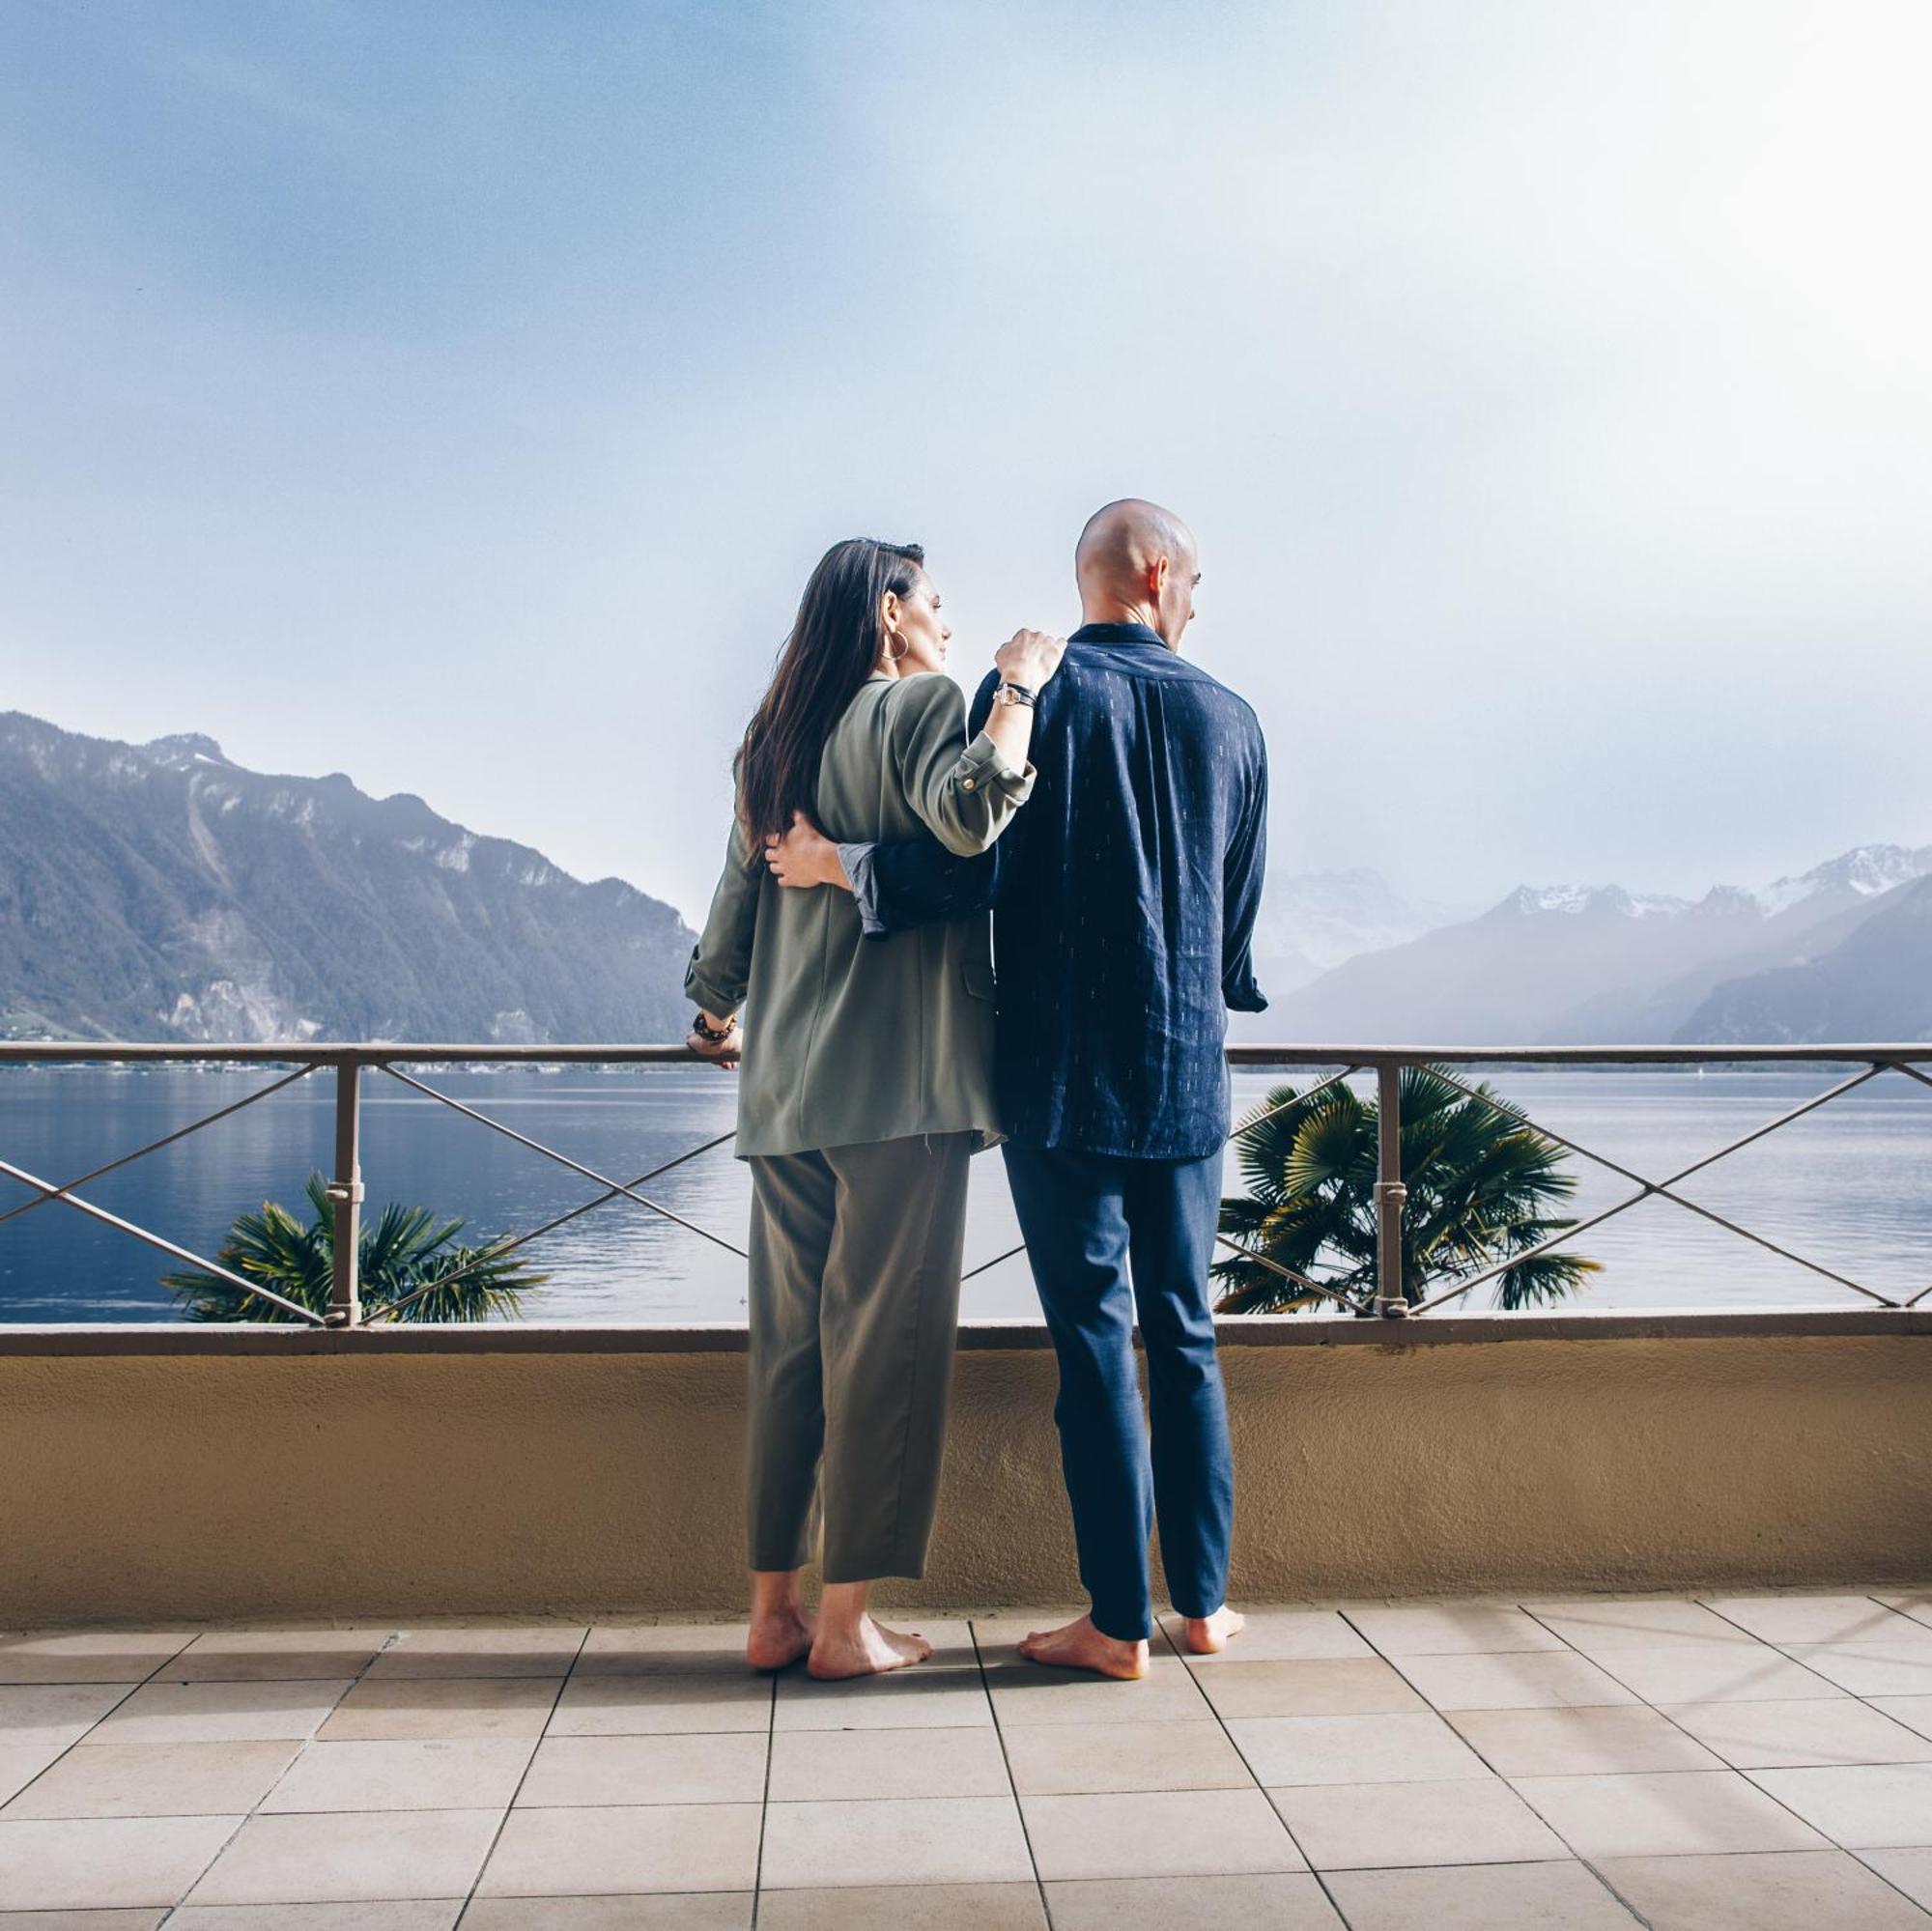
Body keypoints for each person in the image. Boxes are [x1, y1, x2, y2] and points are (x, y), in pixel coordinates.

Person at [765, 499, 1267, 1679]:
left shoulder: (1041, 704)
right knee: (1185, 1333)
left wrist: (840, 864)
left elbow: (965, 868)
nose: (1195, 600)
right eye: (1191, 579)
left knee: (1095, 1343)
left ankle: (1115, 1622)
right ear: (1152, 576)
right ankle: (1200, 1601)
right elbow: (1235, 925)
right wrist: (1207, 987)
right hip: (1185, 1080)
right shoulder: (1235, 721)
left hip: (1054, 1083)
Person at [684, 534, 1064, 1679]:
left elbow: (731, 909)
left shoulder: (774, 743)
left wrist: (714, 1016)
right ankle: (846, 1625)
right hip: (895, 1084)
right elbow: (971, 814)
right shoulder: (919, 706)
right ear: (890, 613)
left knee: (790, 1353)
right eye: (934, 606)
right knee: (881, 1354)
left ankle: (771, 1615)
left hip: (784, 1087)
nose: (946, 624)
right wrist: (1014, 693)